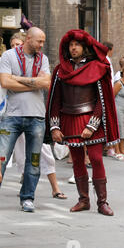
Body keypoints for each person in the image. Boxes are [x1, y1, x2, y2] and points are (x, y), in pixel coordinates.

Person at [46, 29, 119, 216]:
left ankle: (102, 202)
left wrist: (92, 125)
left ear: (84, 47)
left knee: (95, 159)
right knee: (77, 161)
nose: (73, 48)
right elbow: (55, 100)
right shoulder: (61, 70)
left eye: (77, 44)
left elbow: (102, 101)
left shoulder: (97, 67)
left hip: (91, 119)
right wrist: (55, 127)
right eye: (70, 45)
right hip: (69, 119)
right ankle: (83, 200)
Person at [0, 27, 51, 212]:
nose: (42, 45)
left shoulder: (43, 59)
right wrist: (33, 82)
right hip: (11, 116)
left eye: (43, 41)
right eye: (39, 41)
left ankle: (28, 198)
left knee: (34, 160)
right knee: (1, 158)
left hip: (36, 116)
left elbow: (46, 83)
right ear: (28, 39)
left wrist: (17, 79)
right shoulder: (8, 56)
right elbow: (5, 82)